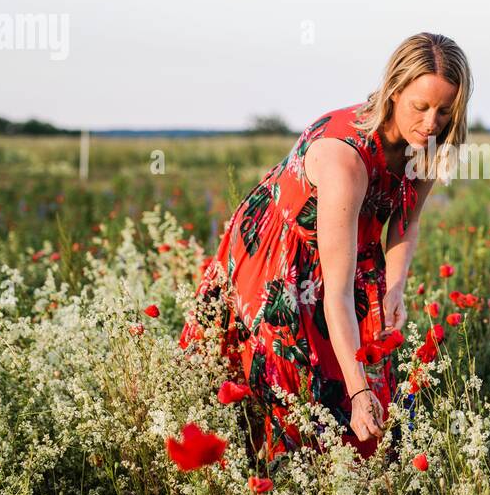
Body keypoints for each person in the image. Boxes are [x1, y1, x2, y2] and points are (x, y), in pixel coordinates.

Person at [179, 33, 472, 463]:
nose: (431, 123)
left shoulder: (425, 147)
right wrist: (357, 391)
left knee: (371, 403)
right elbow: (334, 292)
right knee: (287, 391)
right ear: (394, 91)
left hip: (348, 251)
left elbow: (407, 221)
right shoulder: (345, 162)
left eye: (445, 110)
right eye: (420, 107)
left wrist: (395, 287)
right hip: (281, 255)